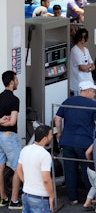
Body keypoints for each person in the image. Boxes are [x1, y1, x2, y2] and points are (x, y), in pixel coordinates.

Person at [54, 80, 96, 205]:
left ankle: (73, 198)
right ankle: (90, 197)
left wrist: (59, 133)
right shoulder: (92, 104)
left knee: (70, 170)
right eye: (93, 91)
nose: (94, 94)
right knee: (88, 170)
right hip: (84, 142)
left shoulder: (68, 101)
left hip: (67, 141)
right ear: (87, 91)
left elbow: (57, 118)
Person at [15, 125, 53, 213]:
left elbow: (19, 170)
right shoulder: (45, 155)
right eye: (50, 135)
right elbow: (46, 179)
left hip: (26, 195)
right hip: (40, 198)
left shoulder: (25, 150)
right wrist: (51, 196)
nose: (51, 136)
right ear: (44, 138)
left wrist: (26, 182)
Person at [0, 71, 22, 209]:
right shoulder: (14, 100)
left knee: (0, 168)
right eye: (17, 79)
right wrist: (4, 122)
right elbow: (12, 122)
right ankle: (14, 201)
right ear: (12, 82)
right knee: (18, 168)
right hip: (8, 136)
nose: (18, 82)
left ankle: (3, 198)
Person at [69, 28, 95, 95]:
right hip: (79, 83)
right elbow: (82, 68)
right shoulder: (74, 50)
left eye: (85, 37)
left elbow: (93, 65)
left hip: (88, 81)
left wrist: (87, 67)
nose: (83, 39)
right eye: (82, 37)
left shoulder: (86, 50)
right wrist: (89, 67)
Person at [83, 144, 96, 213]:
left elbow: (87, 153)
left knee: (94, 187)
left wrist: (90, 161)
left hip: (90, 168)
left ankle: (87, 203)